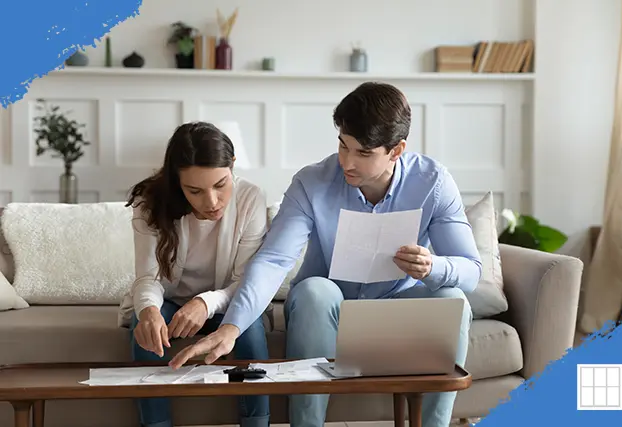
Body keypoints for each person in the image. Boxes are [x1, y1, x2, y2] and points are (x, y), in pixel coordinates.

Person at [168, 83, 482, 427]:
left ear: (396, 151)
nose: (346, 161)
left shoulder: (433, 182)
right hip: (328, 310)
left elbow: (470, 271)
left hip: (399, 310)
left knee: (452, 297)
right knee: (315, 290)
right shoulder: (312, 182)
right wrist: (231, 327)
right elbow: (274, 260)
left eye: (363, 153)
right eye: (343, 146)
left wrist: (433, 266)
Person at [117, 121, 270, 427]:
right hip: (170, 300)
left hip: (225, 301)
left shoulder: (251, 199)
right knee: (145, 326)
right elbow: (148, 277)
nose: (211, 202)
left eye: (220, 184)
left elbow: (246, 281)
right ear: (177, 182)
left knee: (249, 329)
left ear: (233, 166)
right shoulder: (150, 202)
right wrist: (147, 310)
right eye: (195, 190)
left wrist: (204, 303)